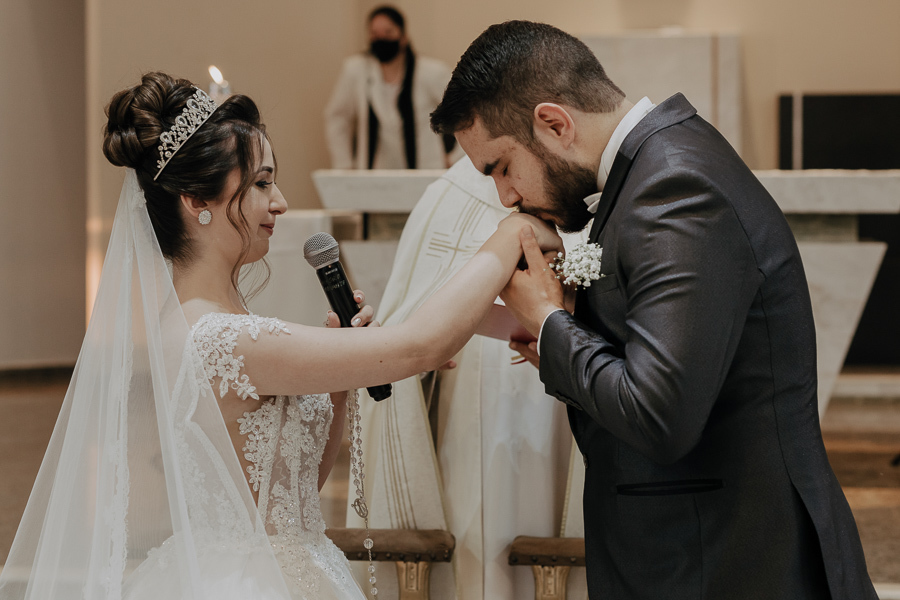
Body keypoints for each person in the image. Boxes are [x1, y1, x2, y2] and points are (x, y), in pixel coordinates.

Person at [0, 72, 560, 600]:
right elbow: (421, 346)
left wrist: (341, 378)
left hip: (290, 563)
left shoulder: (225, 328)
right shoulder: (221, 339)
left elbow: (293, 489)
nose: (281, 202)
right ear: (196, 202)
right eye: (263, 182)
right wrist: (509, 234)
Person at [430, 21, 878, 600]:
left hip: (727, 562)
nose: (506, 196)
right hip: (696, 551)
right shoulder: (651, 174)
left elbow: (661, 417)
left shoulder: (676, 187)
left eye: (501, 167)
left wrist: (551, 322)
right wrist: (561, 336)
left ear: (554, 124)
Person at [347, 155, 577, 600]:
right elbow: (407, 320)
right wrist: (418, 366)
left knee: (547, 515)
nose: (504, 190)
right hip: (459, 417)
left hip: (558, 410)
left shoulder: (583, 194)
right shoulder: (446, 198)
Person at [324, 5, 460, 170]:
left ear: (403, 36)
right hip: (373, 172)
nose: (381, 38)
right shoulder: (356, 71)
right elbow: (337, 117)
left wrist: (455, 159)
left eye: (388, 32)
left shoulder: (431, 72)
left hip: (424, 170)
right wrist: (344, 165)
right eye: (374, 33)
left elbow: (464, 111)